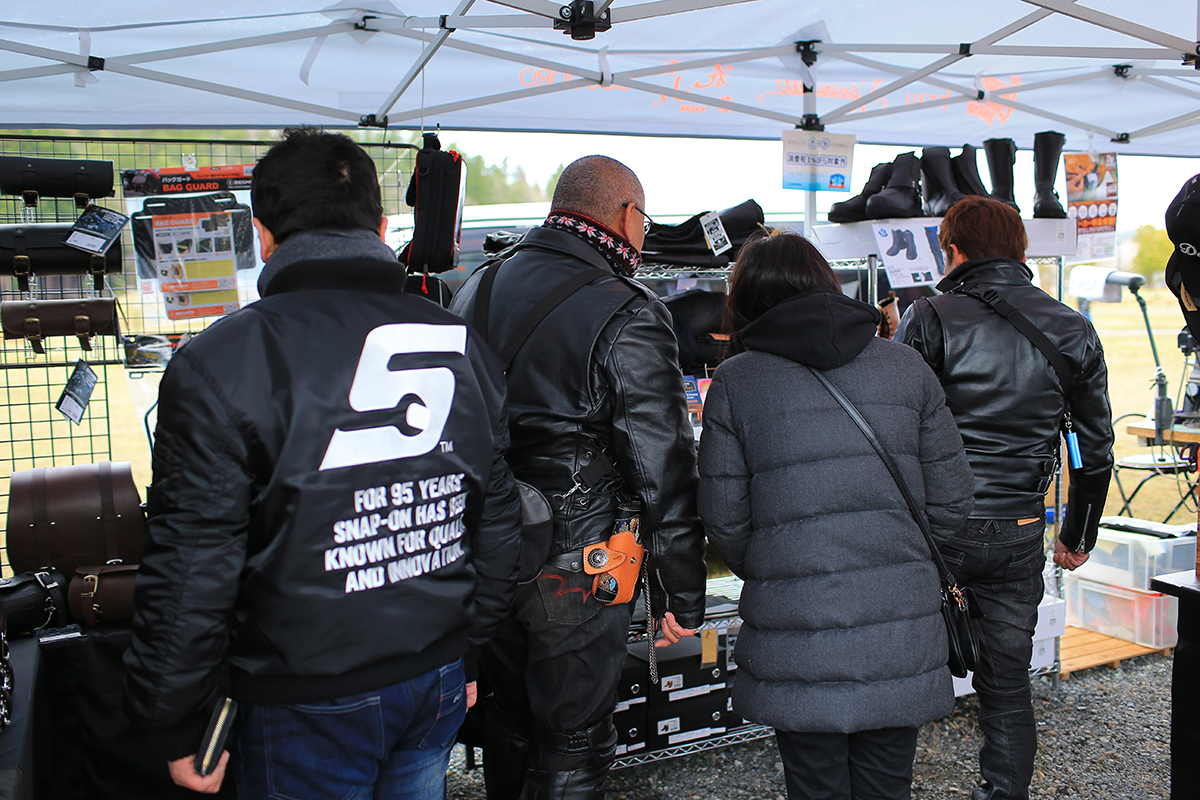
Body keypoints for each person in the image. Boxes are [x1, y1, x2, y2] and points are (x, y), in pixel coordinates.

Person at [124, 127, 523, 798]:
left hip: (304, 695)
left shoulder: (222, 360)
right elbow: (497, 516)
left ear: (262, 235)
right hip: (428, 674)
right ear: (382, 228)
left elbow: (192, 560)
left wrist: (174, 716)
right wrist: (471, 645)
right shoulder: (461, 343)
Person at [448, 154, 707, 799]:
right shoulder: (628, 308)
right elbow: (662, 464)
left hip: (484, 539)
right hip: (578, 558)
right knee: (574, 737)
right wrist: (682, 588)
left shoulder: (477, 285)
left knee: (509, 714)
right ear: (627, 215)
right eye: (645, 222)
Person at [697, 229, 975, 800]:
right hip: (899, 617)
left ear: (745, 299)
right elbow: (952, 500)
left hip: (796, 622)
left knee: (814, 784)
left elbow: (724, 518)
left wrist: (780, 565)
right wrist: (906, 559)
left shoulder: (737, 381)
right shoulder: (905, 367)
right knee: (887, 784)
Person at [895, 195, 1114, 800]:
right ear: (1020, 250)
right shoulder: (1072, 326)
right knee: (1009, 683)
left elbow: (895, 426)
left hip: (937, 528)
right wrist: (1079, 533)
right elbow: (1093, 449)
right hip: (1020, 525)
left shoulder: (927, 316)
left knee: (904, 670)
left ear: (952, 249)